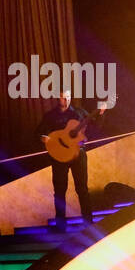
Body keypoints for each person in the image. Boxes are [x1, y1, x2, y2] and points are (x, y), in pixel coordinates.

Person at [35, 89, 101, 229]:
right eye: (61, 98)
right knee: (59, 190)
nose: (63, 101)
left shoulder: (79, 113)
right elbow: (39, 132)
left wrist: (100, 114)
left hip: (78, 154)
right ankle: (60, 224)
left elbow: (94, 127)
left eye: (66, 98)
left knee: (82, 188)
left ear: (70, 98)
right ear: (57, 99)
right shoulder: (50, 116)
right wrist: (43, 137)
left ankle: (88, 222)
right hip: (59, 156)